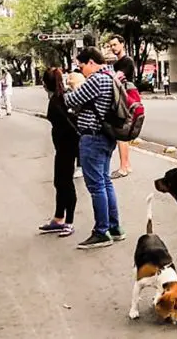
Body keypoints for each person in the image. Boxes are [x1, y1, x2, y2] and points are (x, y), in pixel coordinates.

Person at [64, 47, 124, 250]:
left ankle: (101, 232)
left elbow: (70, 100)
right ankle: (114, 228)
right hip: (106, 136)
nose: (81, 71)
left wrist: (72, 85)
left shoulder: (97, 79)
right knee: (105, 182)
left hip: (93, 136)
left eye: (81, 67)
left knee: (97, 186)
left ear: (90, 62)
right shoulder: (111, 75)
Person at [39, 68, 80, 237]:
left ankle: (68, 222)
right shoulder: (61, 97)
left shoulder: (57, 101)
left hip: (66, 147)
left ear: (45, 84)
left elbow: (69, 125)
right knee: (59, 182)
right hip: (64, 147)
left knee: (66, 183)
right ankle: (58, 218)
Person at [108, 35, 135, 180]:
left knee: (121, 134)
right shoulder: (116, 63)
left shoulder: (127, 61)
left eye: (115, 44)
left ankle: (124, 167)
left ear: (122, 44)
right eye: (111, 45)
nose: (113, 48)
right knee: (121, 132)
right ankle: (127, 164)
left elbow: (117, 78)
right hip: (120, 97)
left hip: (126, 98)